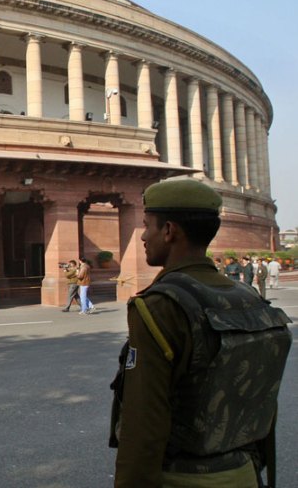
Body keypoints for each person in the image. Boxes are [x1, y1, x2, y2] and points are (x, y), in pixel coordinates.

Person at [109, 179, 291, 487]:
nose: (142, 236)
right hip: (244, 473)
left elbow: (144, 425)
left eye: (147, 226)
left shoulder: (161, 305)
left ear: (169, 231)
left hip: (182, 477)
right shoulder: (248, 297)